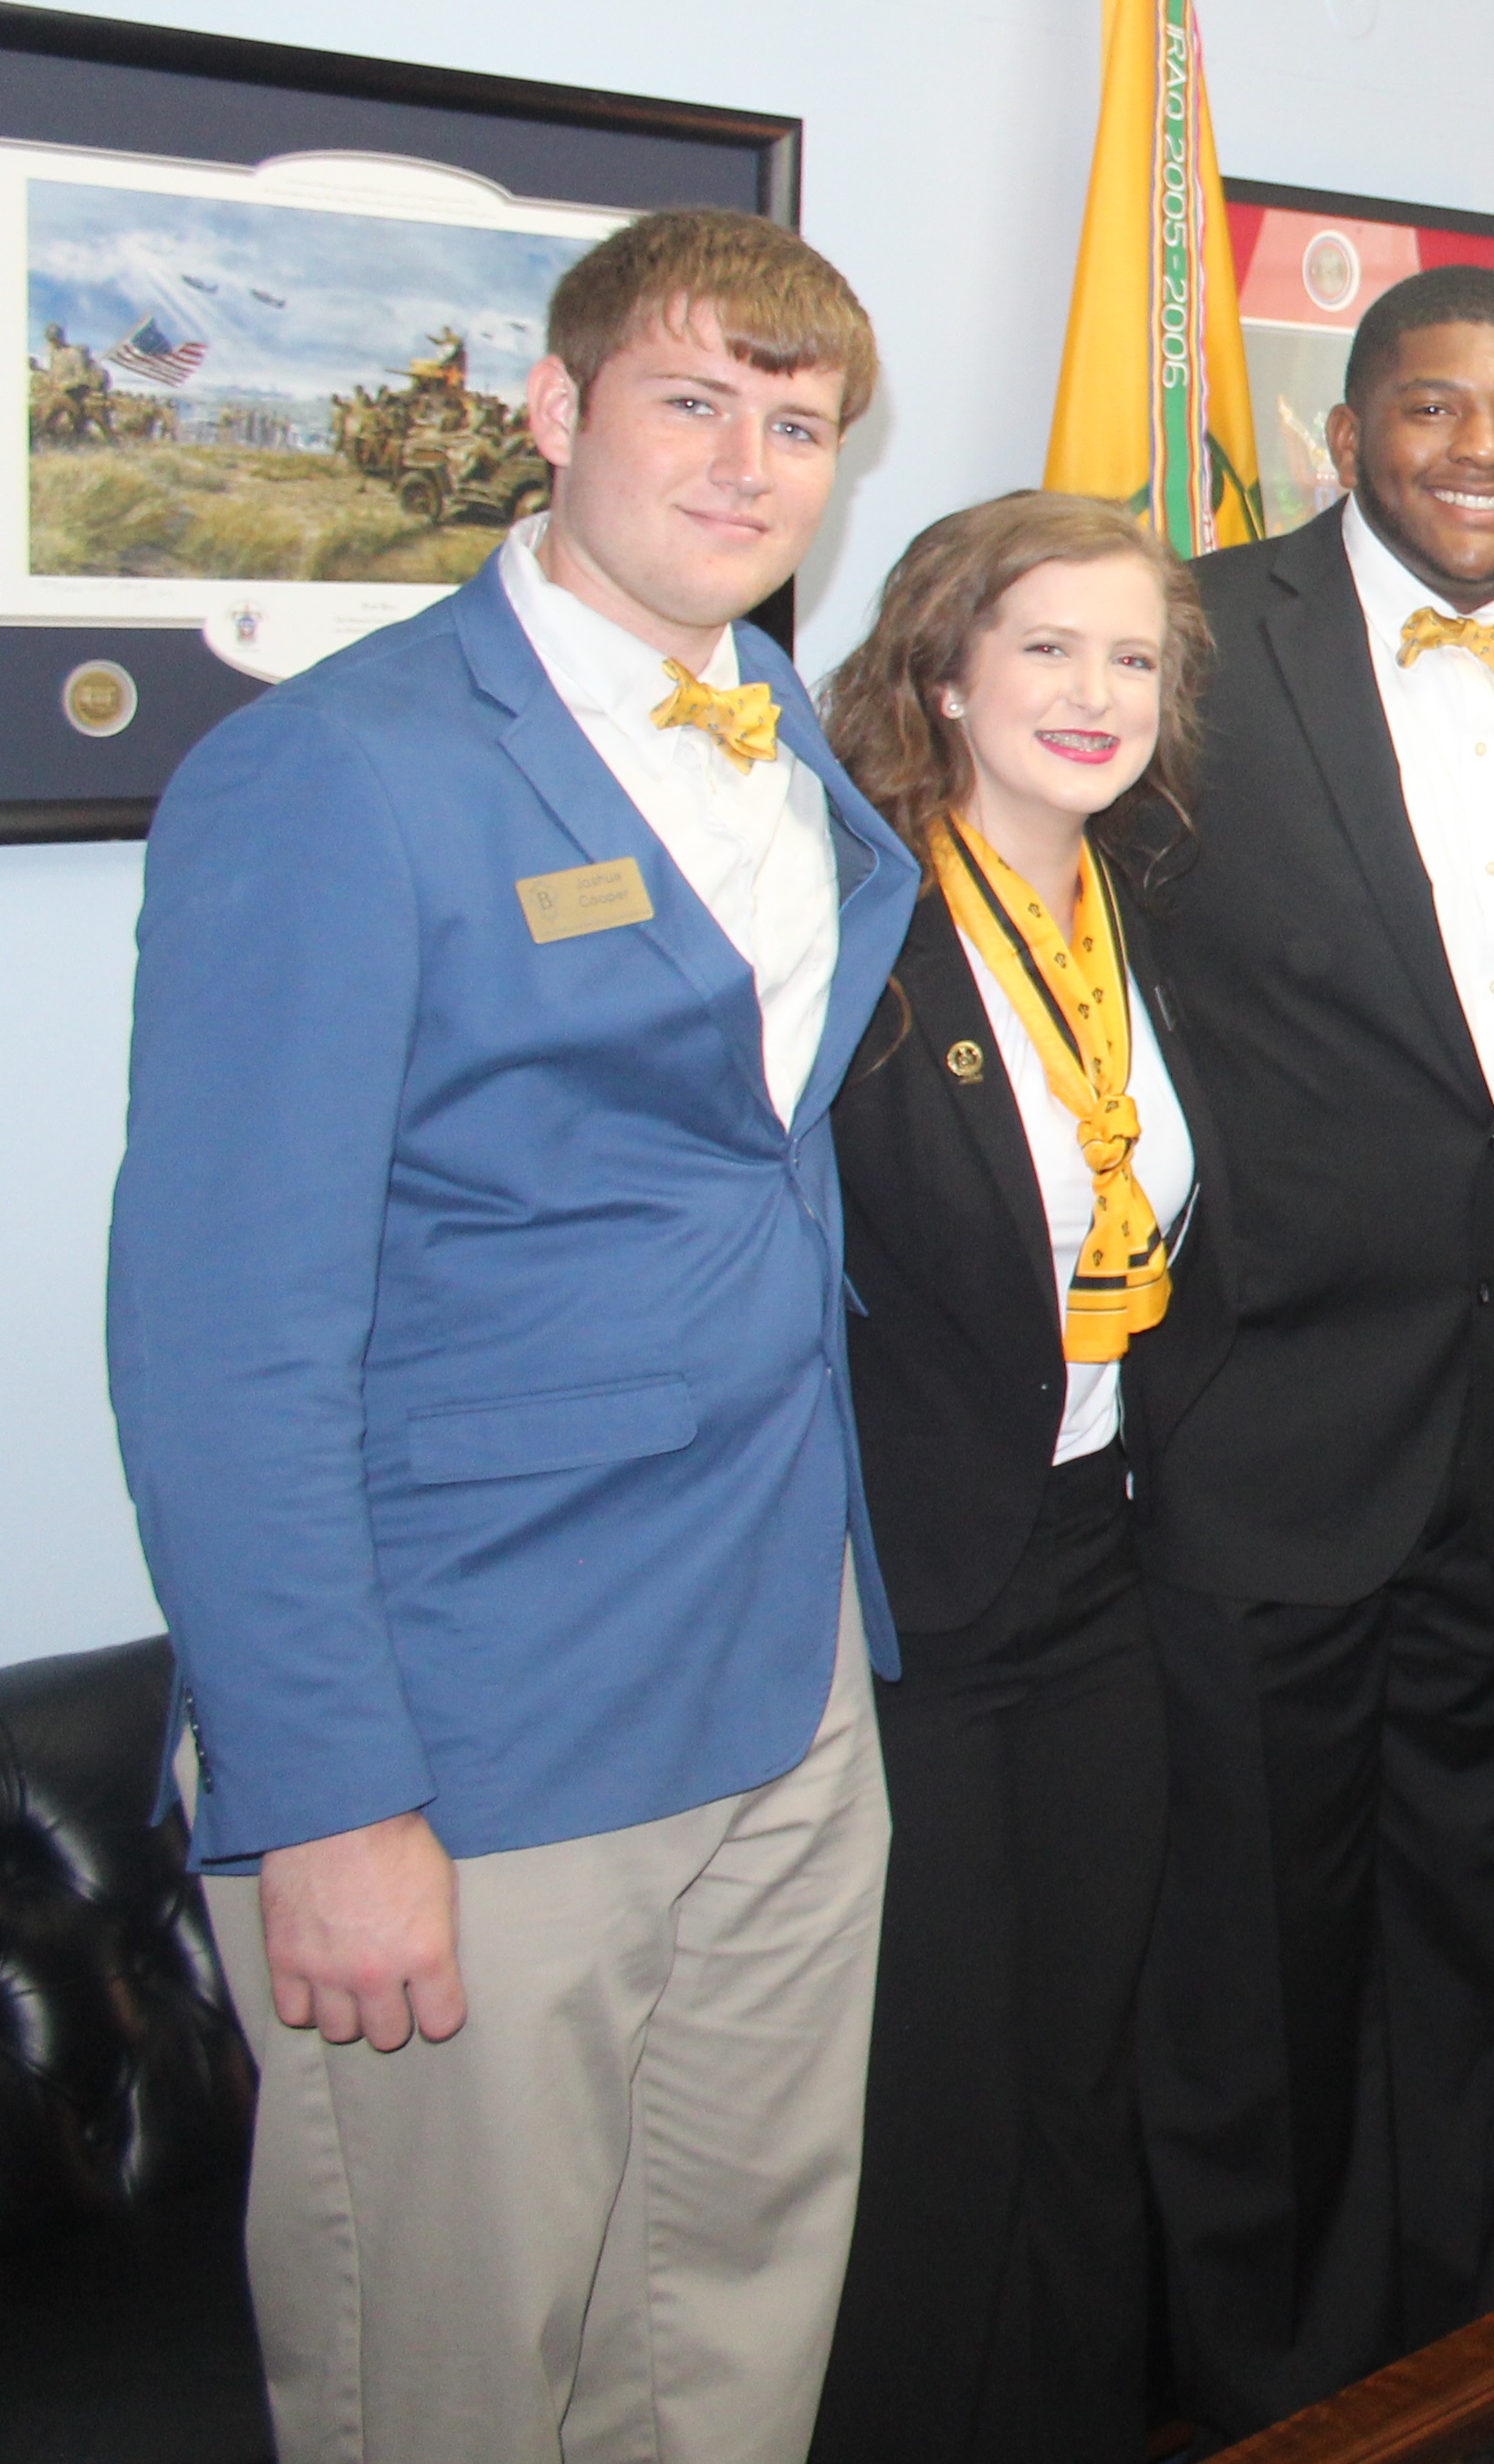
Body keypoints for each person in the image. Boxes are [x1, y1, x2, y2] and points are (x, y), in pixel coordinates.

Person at [110, 209, 914, 2464]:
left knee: (729, 2333)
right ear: (554, 411)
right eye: (693, 403)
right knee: (447, 2382)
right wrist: (326, 1791)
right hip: (480, 1720)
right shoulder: (339, 769)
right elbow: (221, 1335)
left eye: (797, 430)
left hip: (782, 1669)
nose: (748, 469)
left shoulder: (781, 737)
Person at [1125, 264, 1494, 2432]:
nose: (1484, 448)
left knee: (1473, 1956)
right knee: (1254, 1979)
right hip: (1265, 1432)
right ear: (1346, 430)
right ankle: (1264, 2401)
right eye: (1437, 406)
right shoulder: (1188, 638)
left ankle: (1444, 2369)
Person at [806, 494, 1214, 2464]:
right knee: (938, 2106)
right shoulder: (857, 923)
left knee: (1083, 2083)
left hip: (1098, 1564)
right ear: (945, 670)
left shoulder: (1142, 908)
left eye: (1133, 658)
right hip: (914, 1593)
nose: (1094, 693)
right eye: (1046, 646)